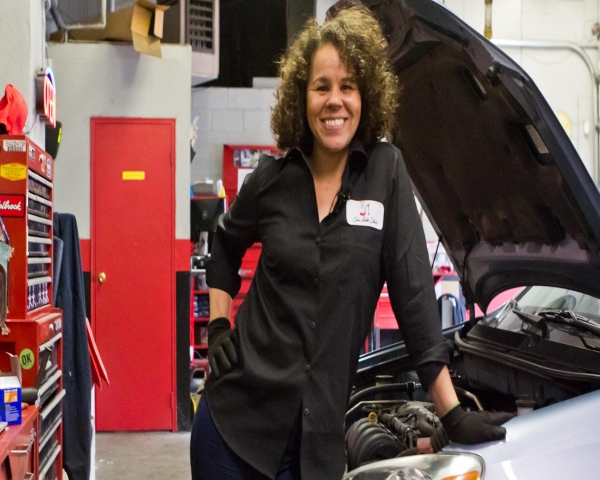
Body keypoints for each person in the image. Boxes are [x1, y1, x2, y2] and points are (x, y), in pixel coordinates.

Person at [190, 5, 512, 480]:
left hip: (314, 445)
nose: (334, 100)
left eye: (347, 87)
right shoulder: (272, 180)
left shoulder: (386, 172)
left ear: (367, 97)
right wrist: (219, 326)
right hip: (233, 425)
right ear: (303, 97)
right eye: (321, 87)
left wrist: (452, 412)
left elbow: (415, 297)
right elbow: (223, 246)